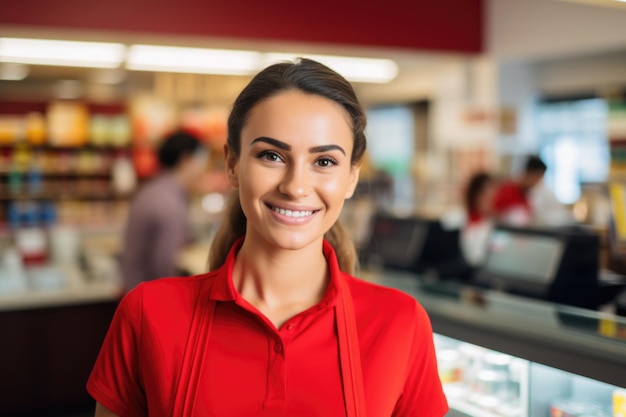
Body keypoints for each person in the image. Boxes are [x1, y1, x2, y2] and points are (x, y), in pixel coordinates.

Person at [88, 58, 448, 417]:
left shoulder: (400, 323)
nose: (295, 187)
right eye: (271, 156)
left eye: (324, 162)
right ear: (232, 164)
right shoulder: (147, 313)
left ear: (352, 177)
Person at [120, 130, 208, 290]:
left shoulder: (152, 189)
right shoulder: (169, 204)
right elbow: (165, 267)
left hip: (134, 292)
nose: (203, 169)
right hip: (148, 299)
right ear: (186, 159)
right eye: (201, 160)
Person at [492, 155, 547, 226]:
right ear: (530, 173)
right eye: (538, 178)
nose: (538, 183)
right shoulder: (507, 190)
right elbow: (494, 214)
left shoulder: (526, 193)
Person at [461, 172, 496, 266]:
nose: (488, 201)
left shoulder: (491, 226)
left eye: (491, 197)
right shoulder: (455, 219)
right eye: (484, 195)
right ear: (474, 194)